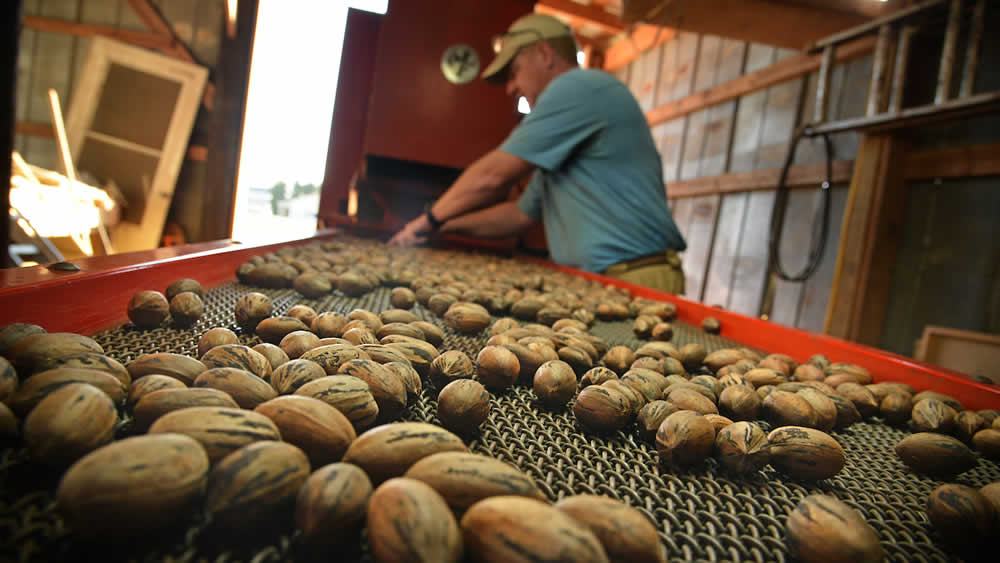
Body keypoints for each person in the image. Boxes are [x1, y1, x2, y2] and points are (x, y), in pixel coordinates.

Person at [389, 13, 687, 293]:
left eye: (514, 72)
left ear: (545, 54)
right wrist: (447, 226)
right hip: (602, 280)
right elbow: (518, 215)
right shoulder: (563, 137)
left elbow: (494, 174)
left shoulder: (578, 87)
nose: (510, 88)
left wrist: (428, 219)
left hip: (637, 277)